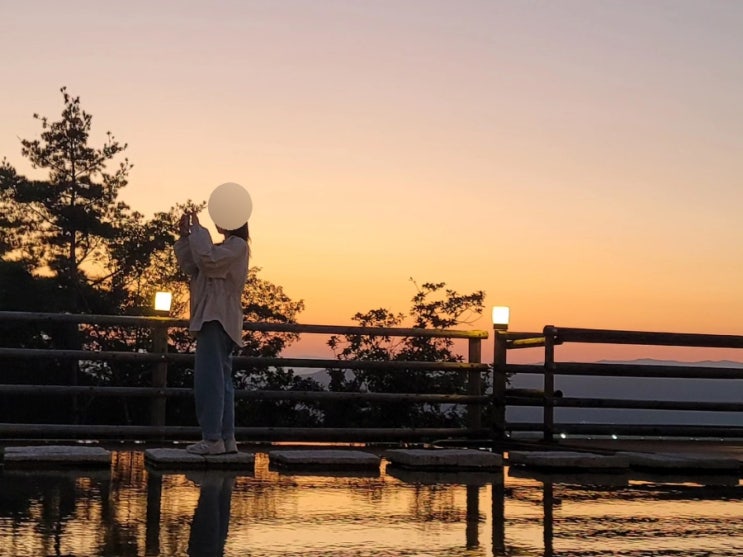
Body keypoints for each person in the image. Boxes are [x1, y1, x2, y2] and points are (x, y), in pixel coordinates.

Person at [174, 211, 249, 455]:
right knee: (221, 380)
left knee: (209, 380)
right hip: (216, 317)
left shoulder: (236, 246)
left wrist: (198, 233)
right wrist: (186, 237)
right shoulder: (226, 248)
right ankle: (226, 438)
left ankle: (213, 438)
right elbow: (192, 265)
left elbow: (208, 261)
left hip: (216, 316)